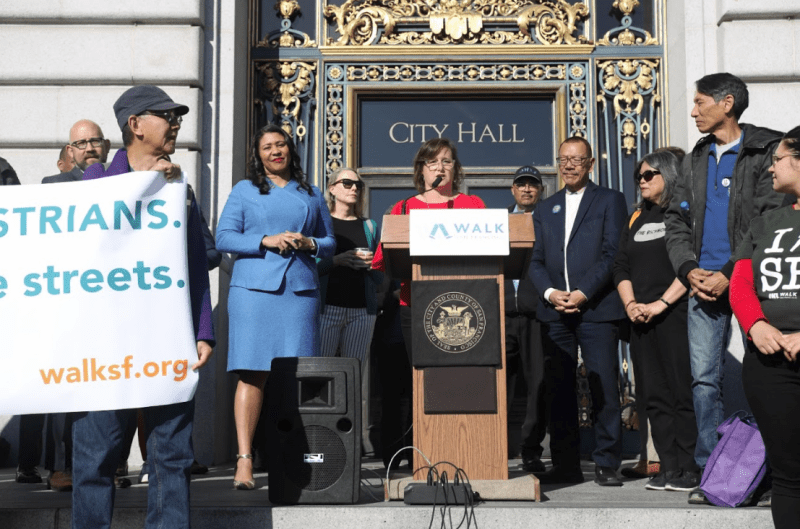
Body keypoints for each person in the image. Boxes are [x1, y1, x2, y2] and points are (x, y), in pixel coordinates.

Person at [72, 85, 215, 529]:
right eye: (165, 115)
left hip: (166, 337)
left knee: (171, 455)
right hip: (103, 343)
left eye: (177, 116)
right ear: (135, 125)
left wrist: (203, 330)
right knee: (96, 456)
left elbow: (200, 258)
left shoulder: (179, 188)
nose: (175, 123)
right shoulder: (92, 185)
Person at [663, 72, 784, 503]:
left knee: (766, 379)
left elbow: (770, 220)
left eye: (700, 102)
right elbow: (675, 221)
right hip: (703, 286)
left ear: (726, 103)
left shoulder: (768, 149)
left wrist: (731, 271)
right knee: (704, 382)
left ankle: (769, 474)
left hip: (753, 282)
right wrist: (689, 269)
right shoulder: (695, 157)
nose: (693, 111)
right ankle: (714, 474)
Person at [216, 123, 335, 490]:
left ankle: (293, 457)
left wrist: (309, 243)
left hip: (298, 292)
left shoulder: (312, 193)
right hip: (254, 292)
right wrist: (265, 239)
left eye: (280, 144)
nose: (275, 151)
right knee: (253, 374)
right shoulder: (244, 190)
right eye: (267, 146)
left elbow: (330, 241)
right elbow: (224, 237)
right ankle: (245, 459)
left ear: (290, 149)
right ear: (258, 155)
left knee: (297, 379)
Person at [529, 136, 628, 487]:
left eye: (577, 159)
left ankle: (606, 461)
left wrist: (583, 293)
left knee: (603, 385)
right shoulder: (545, 208)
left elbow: (611, 254)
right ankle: (565, 464)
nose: (569, 165)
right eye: (563, 159)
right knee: (559, 390)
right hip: (555, 312)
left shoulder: (610, 200)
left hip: (597, 308)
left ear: (590, 164)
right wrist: (552, 293)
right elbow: (535, 260)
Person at [613, 150, 699, 492]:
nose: (642, 181)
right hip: (641, 318)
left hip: (674, 314)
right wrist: (632, 303)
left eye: (649, 175)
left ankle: (690, 466)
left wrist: (661, 304)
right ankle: (668, 466)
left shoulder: (681, 213)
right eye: (639, 176)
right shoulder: (636, 217)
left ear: (668, 174)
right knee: (654, 396)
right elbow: (620, 265)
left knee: (682, 391)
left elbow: (691, 263)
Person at [729, 125, 800, 528]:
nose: (770, 168)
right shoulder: (765, 222)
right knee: (789, 475)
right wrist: (755, 325)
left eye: (777, 159)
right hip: (770, 362)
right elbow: (741, 282)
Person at [372, 137, 485, 361]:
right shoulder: (404, 207)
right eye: (432, 162)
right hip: (415, 303)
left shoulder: (473, 205)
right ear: (421, 170)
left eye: (446, 161)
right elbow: (381, 260)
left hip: (465, 302)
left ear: (455, 168)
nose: (440, 167)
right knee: (424, 378)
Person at [318, 167, 383, 365]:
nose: (354, 188)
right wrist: (336, 260)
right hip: (326, 309)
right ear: (332, 189)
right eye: (347, 183)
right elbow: (308, 268)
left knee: (354, 374)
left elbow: (381, 277)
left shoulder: (369, 226)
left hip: (362, 312)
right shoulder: (321, 224)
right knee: (319, 371)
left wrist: (373, 265)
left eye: (358, 185)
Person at [505, 165, 547, 472]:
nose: (527, 189)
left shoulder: (549, 221)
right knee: (497, 386)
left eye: (533, 184)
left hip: (537, 314)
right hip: (502, 314)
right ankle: (498, 448)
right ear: (513, 190)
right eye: (522, 184)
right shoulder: (498, 222)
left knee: (538, 386)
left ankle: (531, 452)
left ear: (540, 190)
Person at [43, 120, 111, 184]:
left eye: (95, 141)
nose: (89, 149)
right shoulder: (55, 184)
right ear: (71, 151)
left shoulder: (120, 178)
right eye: (81, 143)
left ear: (107, 146)